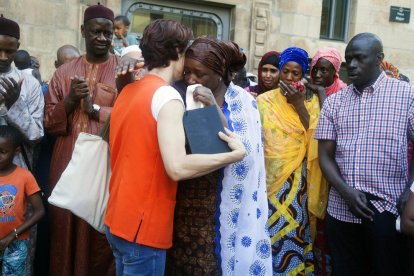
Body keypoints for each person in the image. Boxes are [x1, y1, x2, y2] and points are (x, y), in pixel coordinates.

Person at [104, 21, 246, 276]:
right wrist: (232, 155)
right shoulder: (167, 96)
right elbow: (177, 167)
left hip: (116, 219)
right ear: (178, 51)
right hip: (143, 227)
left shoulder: (128, 90)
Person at [166, 36, 272, 276]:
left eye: (199, 74)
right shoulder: (178, 96)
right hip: (188, 201)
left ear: (220, 72)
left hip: (225, 201)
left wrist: (214, 109)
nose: (191, 79)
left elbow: (244, 153)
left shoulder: (244, 102)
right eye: (187, 72)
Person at [314, 33, 412, 276]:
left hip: (387, 210)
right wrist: (346, 193)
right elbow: (325, 156)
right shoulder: (334, 103)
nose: (353, 65)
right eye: (349, 59)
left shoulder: (406, 96)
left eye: (359, 58)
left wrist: (410, 189)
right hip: (341, 211)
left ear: (379, 59)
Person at [44, 3, 118, 275]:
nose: (101, 38)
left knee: (99, 230)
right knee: (64, 226)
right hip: (66, 159)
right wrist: (71, 99)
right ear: (83, 31)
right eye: (95, 32)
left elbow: (129, 116)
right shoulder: (63, 73)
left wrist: (95, 107)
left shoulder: (122, 70)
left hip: (104, 162)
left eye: (107, 33)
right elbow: (50, 124)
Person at [256, 46, 327, 275]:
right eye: (284, 71)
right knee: (266, 231)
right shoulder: (264, 101)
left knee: (293, 230)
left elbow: (316, 138)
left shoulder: (311, 101)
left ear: (303, 74)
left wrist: (298, 104)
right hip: (267, 182)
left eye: (295, 73)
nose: (288, 77)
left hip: (297, 182)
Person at [0, 125, 45, 276]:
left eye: (3, 152)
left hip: (17, 243)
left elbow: (40, 211)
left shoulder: (25, 176)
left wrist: (13, 235)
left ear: (16, 151)